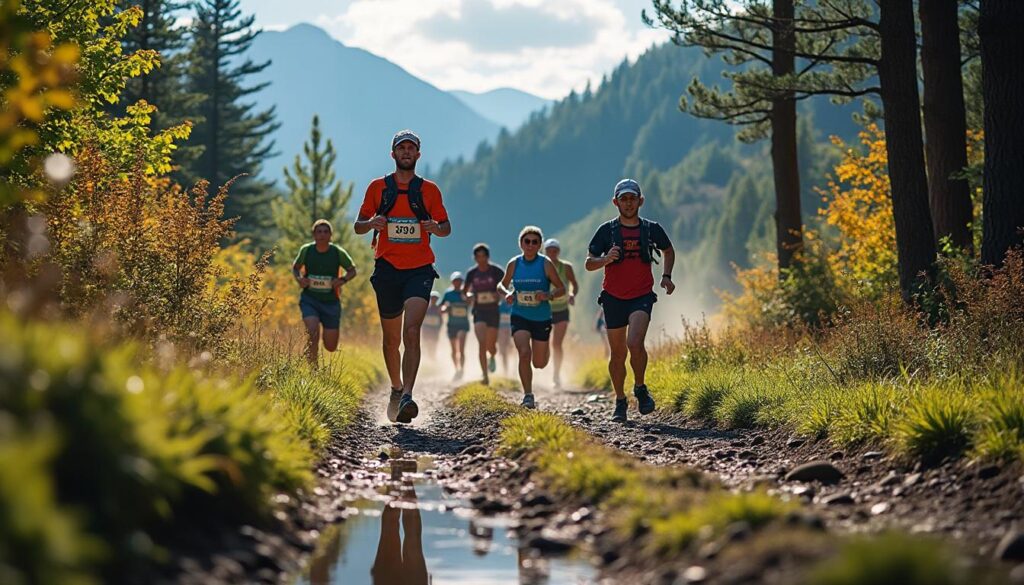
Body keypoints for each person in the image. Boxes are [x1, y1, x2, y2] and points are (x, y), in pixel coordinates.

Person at [354, 130, 451, 423]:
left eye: (411, 148)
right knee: (390, 340)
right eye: (401, 148)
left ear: (418, 155)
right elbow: (359, 226)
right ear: (393, 154)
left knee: (412, 331)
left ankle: (408, 394)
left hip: (420, 269)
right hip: (387, 269)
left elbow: (446, 227)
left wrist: (435, 227)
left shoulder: (429, 190)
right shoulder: (377, 188)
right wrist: (372, 222)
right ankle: (396, 388)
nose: (406, 152)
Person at [585, 179, 675, 422]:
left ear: (640, 201)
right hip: (612, 298)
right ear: (616, 202)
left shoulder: (651, 228)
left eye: (632, 198)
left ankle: (640, 388)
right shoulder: (607, 231)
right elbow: (588, 263)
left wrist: (666, 277)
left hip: (642, 296)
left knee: (634, 343)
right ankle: (620, 400)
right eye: (623, 199)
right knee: (617, 354)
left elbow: (668, 250)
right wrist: (605, 259)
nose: (628, 203)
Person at [498, 226, 566, 409]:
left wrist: (548, 295)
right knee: (524, 353)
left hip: (541, 317)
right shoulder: (514, 263)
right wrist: (507, 294)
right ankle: (528, 395)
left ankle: (545, 352)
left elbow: (561, 289)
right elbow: (501, 285)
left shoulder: (545, 264)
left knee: (540, 363)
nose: (530, 245)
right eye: (526, 241)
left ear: (539, 245)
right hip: (519, 314)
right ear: (521, 244)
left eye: (534, 242)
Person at [292, 219, 358, 365]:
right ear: (314, 234)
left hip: (331, 303)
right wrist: (299, 279)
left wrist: (342, 280)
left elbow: (353, 270)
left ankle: (317, 354)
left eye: (325, 232)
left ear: (330, 235)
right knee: (313, 332)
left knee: (330, 346)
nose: (322, 235)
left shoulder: (337, 252)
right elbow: (295, 267)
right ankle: (313, 369)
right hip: (310, 299)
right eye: (319, 231)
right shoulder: (306, 250)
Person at [464, 243, 504, 385]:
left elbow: (505, 287)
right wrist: (469, 296)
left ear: (488, 257)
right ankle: (485, 375)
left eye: (483, 256)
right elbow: (465, 291)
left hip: (493, 311)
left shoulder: (496, 271)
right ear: (474, 258)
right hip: (479, 311)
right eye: (478, 256)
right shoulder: (472, 273)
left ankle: (492, 355)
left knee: (490, 345)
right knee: (481, 343)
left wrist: (497, 294)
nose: (481, 259)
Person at [542, 238, 579, 388]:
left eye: (554, 251)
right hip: (544, 309)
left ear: (558, 252)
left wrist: (572, 295)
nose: (552, 253)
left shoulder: (566, 267)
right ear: (545, 252)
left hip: (562, 309)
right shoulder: (542, 267)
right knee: (543, 342)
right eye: (549, 251)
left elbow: (574, 285)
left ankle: (556, 375)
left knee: (557, 344)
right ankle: (543, 368)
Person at [439, 272, 470, 380]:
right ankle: (456, 369)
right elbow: (442, 306)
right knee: (453, 349)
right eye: (455, 281)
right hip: (452, 325)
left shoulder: (466, 293)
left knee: (461, 348)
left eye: (460, 281)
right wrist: (445, 309)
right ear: (452, 282)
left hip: (463, 324)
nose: (457, 283)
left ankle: (462, 369)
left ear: (462, 282)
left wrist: (467, 298)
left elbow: (472, 303)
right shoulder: (448, 294)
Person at [422, 291, 443, 359]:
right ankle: (427, 356)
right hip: (426, 330)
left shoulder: (438, 309)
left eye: (435, 298)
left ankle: (432, 356)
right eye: (432, 298)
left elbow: (441, 320)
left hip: (434, 330)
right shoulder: (425, 308)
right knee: (426, 343)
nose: (434, 300)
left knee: (434, 344)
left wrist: (439, 328)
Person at [497, 298, 513, 374]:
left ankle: (511, 370)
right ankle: (505, 370)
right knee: (503, 351)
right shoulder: (499, 305)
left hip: (511, 330)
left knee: (511, 350)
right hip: (501, 330)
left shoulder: (512, 305)